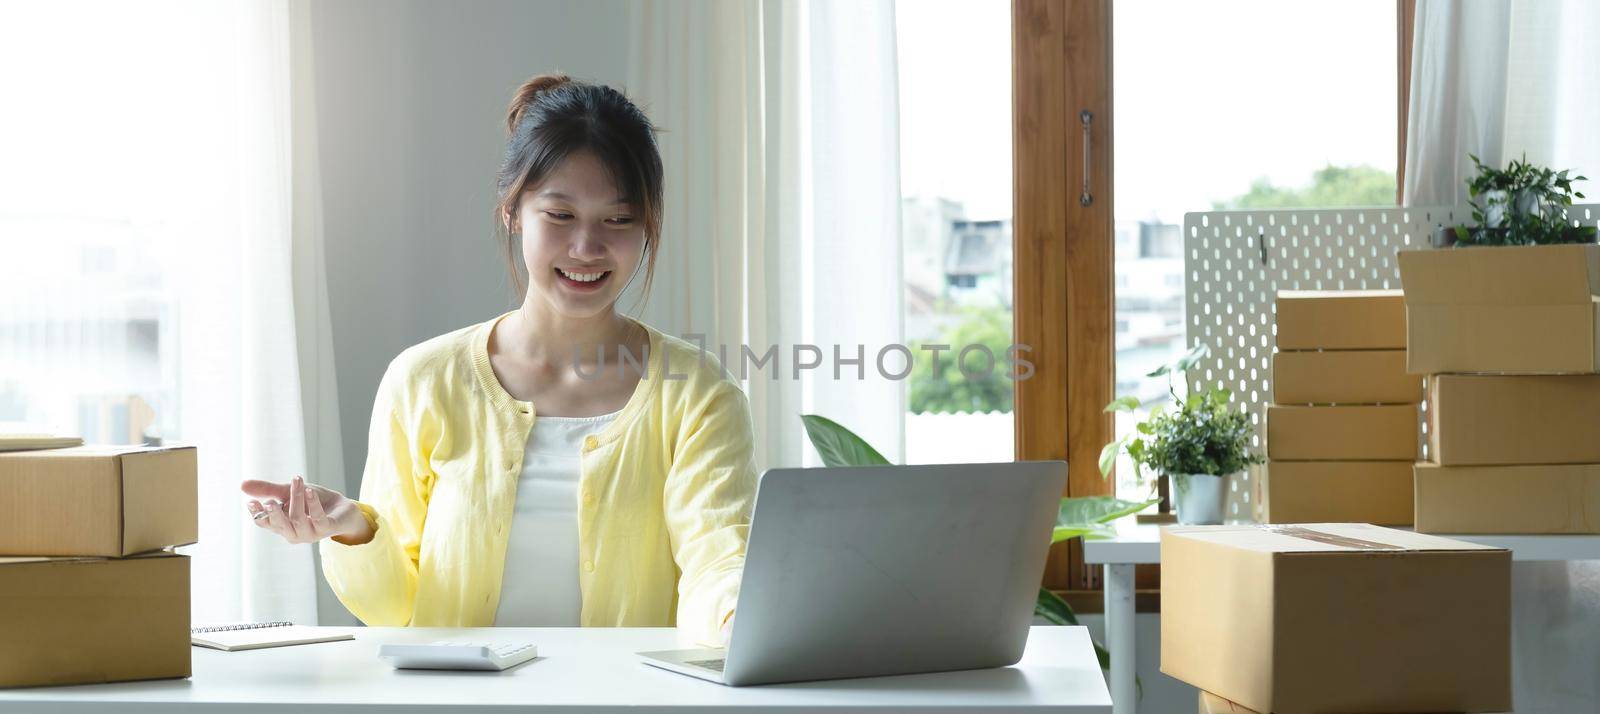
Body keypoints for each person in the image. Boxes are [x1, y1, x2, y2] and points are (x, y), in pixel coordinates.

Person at [240, 73, 755, 646]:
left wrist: (744, 622)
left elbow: (718, 559)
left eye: (618, 220)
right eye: (559, 216)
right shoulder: (424, 380)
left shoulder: (701, 392)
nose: (587, 248)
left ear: (647, 228)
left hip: (626, 701)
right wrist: (355, 530)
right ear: (513, 212)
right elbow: (390, 607)